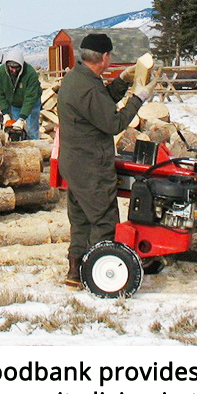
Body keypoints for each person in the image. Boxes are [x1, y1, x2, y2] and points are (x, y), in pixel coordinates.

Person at [57, 33, 156, 290]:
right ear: (104, 57)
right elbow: (114, 123)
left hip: (75, 164)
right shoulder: (88, 87)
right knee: (103, 221)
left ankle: (75, 271)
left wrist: (122, 81)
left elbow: (100, 105)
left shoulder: (78, 78)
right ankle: (102, 276)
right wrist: (139, 99)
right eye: (110, 56)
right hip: (91, 166)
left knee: (80, 221)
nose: (111, 59)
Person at [0, 51, 41, 140]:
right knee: (15, 129)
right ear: (7, 65)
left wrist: (22, 118)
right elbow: (0, 94)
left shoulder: (30, 73)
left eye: (17, 67)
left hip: (32, 103)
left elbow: (30, 98)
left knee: (31, 129)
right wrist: (5, 113)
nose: (14, 70)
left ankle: (34, 147)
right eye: (12, 67)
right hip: (14, 103)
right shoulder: (0, 74)